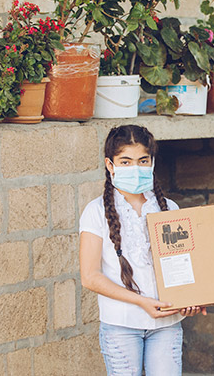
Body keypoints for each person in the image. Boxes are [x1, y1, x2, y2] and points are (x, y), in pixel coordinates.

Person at [79, 125, 205, 376]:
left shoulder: (170, 209)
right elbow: (90, 277)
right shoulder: (95, 212)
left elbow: (183, 266)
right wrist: (141, 302)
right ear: (110, 164)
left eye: (143, 161)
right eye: (125, 162)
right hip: (121, 325)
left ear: (152, 162)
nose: (135, 168)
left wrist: (189, 299)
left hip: (167, 324)